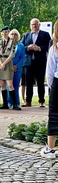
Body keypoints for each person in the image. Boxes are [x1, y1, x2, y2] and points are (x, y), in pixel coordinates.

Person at [21, 18, 51, 107]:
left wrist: (39, 48)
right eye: (32, 24)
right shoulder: (26, 35)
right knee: (28, 82)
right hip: (29, 63)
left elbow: (49, 46)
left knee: (40, 82)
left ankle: (41, 101)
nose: (34, 26)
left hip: (40, 63)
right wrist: (28, 47)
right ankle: (28, 101)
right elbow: (22, 47)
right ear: (30, 25)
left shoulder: (45, 35)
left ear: (39, 25)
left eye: (36, 24)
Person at [41, 20, 58, 158]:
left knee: (54, 115)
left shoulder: (55, 48)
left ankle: (50, 149)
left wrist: (51, 86)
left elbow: (50, 71)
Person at [0, 26, 21, 110]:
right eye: (3, 32)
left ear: (8, 33)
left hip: (8, 62)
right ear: (1, 33)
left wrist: (4, 63)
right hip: (1, 62)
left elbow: (11, 55)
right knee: (2, 84)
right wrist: (1, 63)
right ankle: (5, 104)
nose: (4, 33)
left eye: (6, 32)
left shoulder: (12, 42)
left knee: (10, 84)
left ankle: (14, 104)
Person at [7, 29, 25, 107]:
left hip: (17, 68)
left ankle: (16, 103)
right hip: (8, 67)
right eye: (12, 34)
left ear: (18, 36)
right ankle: (9, 102)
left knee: (16, 85)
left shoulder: (21, 45)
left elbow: (22, 57)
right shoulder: (6, 44)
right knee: (9, 85)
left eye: (15, 34)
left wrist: (16, 66)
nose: (13, 36)